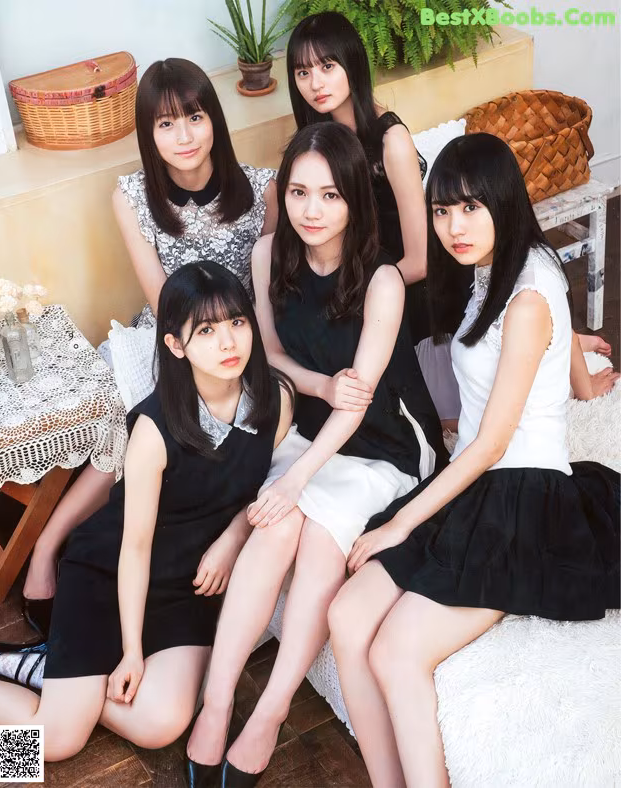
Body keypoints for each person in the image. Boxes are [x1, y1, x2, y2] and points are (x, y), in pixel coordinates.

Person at [328, 133, 620, 788]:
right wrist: (582, 378)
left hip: (519, 497)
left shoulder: (525, 299)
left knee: (397, 653)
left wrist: (400, 524)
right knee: (346, 616)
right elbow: (560, 332)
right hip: (476, 478)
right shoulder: (522, 258)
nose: (453, 227)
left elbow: (492, 443)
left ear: (502, 204)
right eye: (441, 211)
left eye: (469, 209)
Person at [185, 122, 446, 786]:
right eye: (298, 192)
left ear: (356, 198)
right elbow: (269, 354)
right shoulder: (271, 253)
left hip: (386, 443)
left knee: (315, 530)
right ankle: (216, 708)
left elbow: (360, 401)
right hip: (314, 422)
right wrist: (316, 384)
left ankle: (268, 717)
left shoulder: (382, 279)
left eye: (329, 196)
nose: (310, 210)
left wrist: (297, 476)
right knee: (275, 530)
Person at [0, 262, 293, 770]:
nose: (228, 342)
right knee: (57, 743)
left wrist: (234, 536)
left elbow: (254, 488)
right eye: (207, 331)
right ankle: (19, 713)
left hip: (185, 589)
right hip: (111, 575)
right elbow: (135, 546)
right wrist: (129, 651)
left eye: (237, 322)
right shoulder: (154, 428)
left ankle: (50, 673)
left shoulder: (275, 401)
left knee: (160, 724)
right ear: (176, 346)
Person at [20, 58, 277, 628]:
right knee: (130, 422)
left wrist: (239, 351)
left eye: (194, 116)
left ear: (215, 120)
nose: (183, 136)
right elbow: (161, 294)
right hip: (171, 336)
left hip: (241, 339)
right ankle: (46, 548)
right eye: (165, 124)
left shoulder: (263, 188)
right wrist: (190, 351)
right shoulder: (131, 195)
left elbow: (268, 290)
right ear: (148, 133)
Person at [286, 11, 614, 429]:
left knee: (448, 416)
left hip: (418, 287)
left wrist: (357, 290)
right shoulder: (315, 142)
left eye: (327, 67)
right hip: (368, 280)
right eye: (303, 72)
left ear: (352, 63)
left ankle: (560, 345)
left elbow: (420, 259)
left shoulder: (391, 140)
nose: (316, 83)